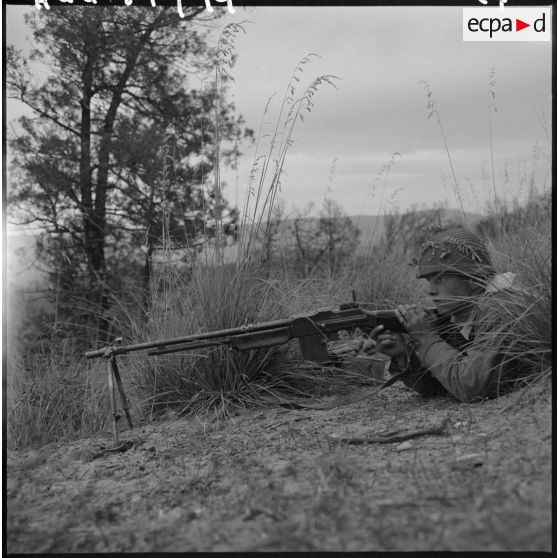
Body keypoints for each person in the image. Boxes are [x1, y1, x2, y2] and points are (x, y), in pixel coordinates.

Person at [370, 226, 525, 403]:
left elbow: (470, 387)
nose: (431, 291)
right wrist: (402, 356)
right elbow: (435, 387)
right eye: (429, 281)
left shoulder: (500, 309)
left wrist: (427, 339)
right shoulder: (461, 315)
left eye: (441, 279)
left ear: (474, 279)